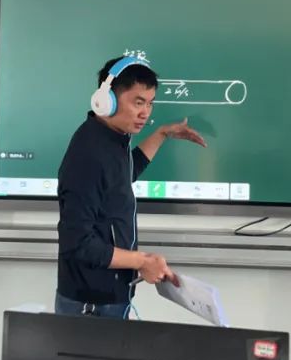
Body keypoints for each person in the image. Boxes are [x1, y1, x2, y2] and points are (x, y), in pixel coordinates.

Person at [55, 56, 207, 319]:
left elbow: (123, 174)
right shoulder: (88, 155)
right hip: (91, 304)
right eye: (138, 102)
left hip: (109, 295)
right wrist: (142, 261)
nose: (145, 113)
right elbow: (78, 243)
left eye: (149, 103)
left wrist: (161, 134)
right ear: (107, 99)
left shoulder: (112, 140)